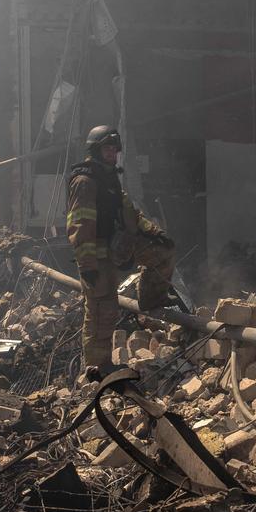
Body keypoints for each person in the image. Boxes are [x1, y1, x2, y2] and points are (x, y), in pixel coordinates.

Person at [66, 125, 175, 380]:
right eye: (107, 149)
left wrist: (152, 231)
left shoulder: (109, 178)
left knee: (164, 251)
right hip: (97, 254)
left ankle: (151, 300)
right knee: (102, 309)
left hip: (121, 245)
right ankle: (96, 368)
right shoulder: (85, 181)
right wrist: (88, 265)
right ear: (94, 150)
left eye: (115, 149)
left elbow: (130, 213)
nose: (112, 154)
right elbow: (80, 226)